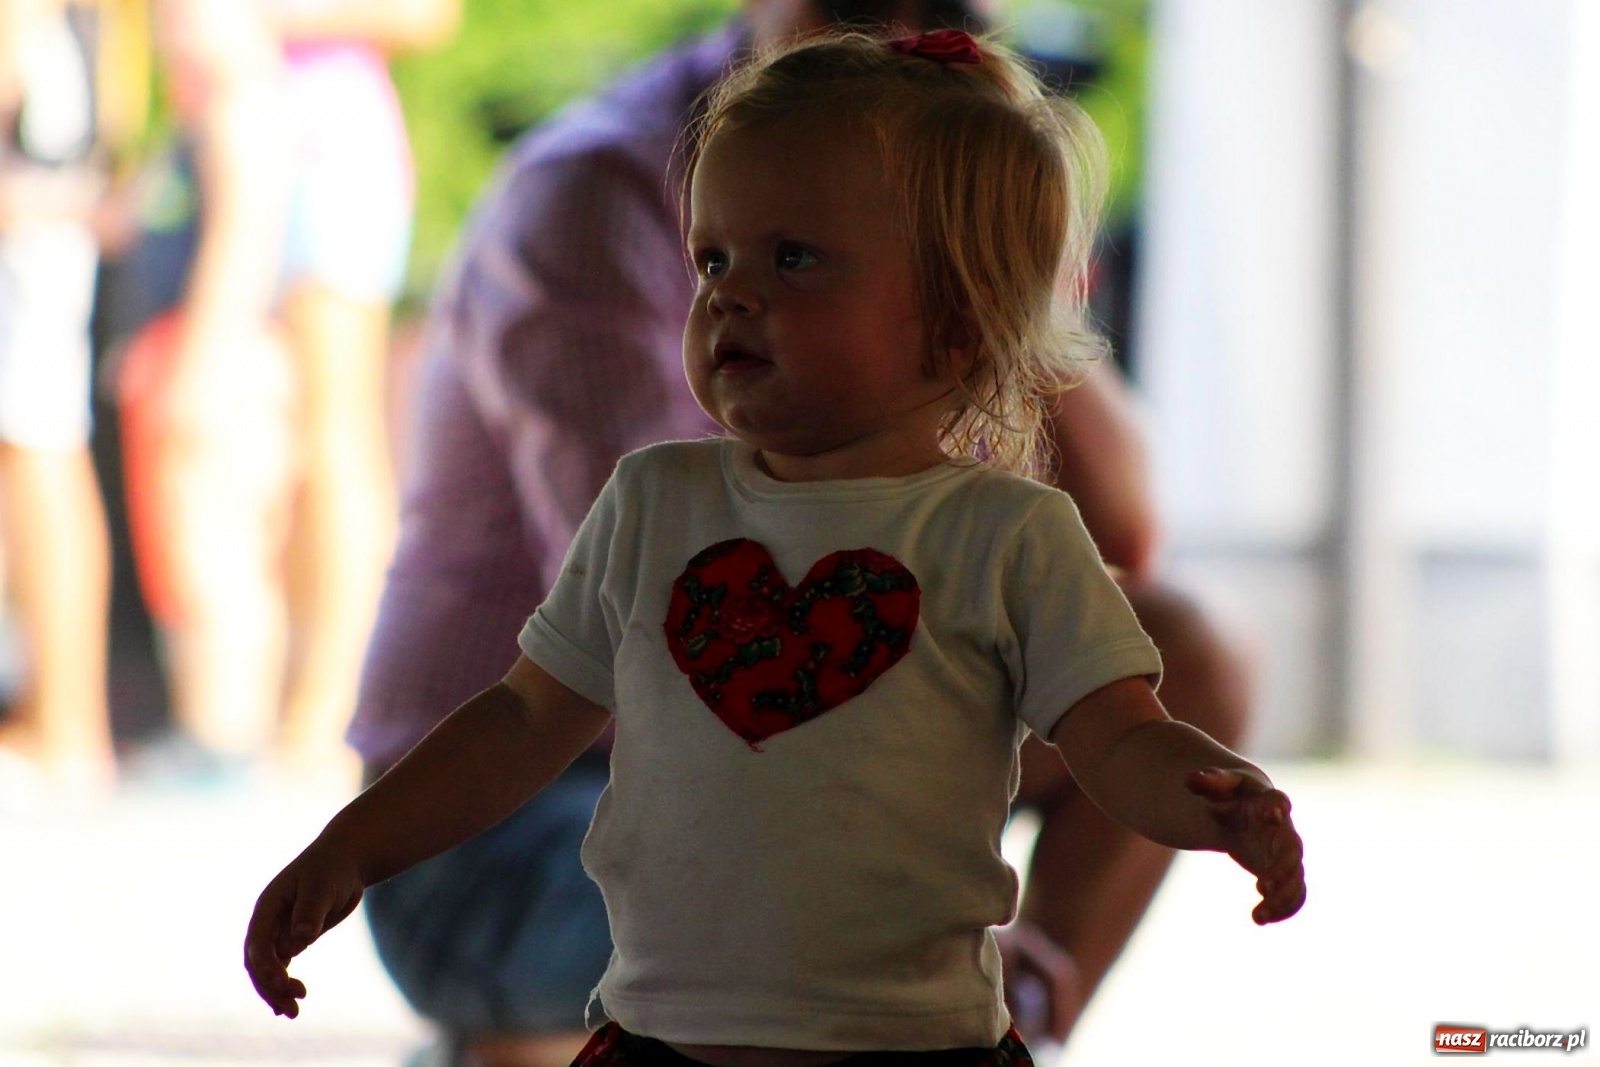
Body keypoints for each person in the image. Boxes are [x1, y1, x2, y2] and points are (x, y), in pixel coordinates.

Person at [247, 25, 1307, 1067]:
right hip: (661, 1028)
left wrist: (1215, 799)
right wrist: (355, 842)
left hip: (913, 1039)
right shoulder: (654, 499)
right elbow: (526, 714)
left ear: (957, 326)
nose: (727, 293)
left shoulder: (1007, 533)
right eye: (711, 257)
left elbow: (1118, 736)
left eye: (792, 260)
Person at [121, 0, 458, 783]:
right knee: (254, 448)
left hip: (329, 153)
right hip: (236, 143)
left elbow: (427, 13)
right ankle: (263, 707)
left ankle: (335, 710)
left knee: (338, 434)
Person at [0, 0, 139, 801]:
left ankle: (69, 727)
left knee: (39, 445)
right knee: (42, 444)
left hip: (32, 207)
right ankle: (58, 718)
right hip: (52, 194)